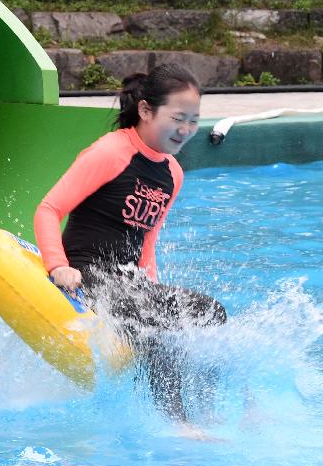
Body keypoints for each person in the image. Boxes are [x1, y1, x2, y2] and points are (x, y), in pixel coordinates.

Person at [34, 64, 226, 422]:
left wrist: (151, 286)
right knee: (156, 326)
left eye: (194, 120)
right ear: (145, 111)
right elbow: (49, 208)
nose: (186, 130)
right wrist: (58, 266)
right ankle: (177, 422)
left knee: (210, 313)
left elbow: (146, 241)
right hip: (85, 273)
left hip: (127, 281)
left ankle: (208, 412)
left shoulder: (173, 173)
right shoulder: (111, 153)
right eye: (178, 117)